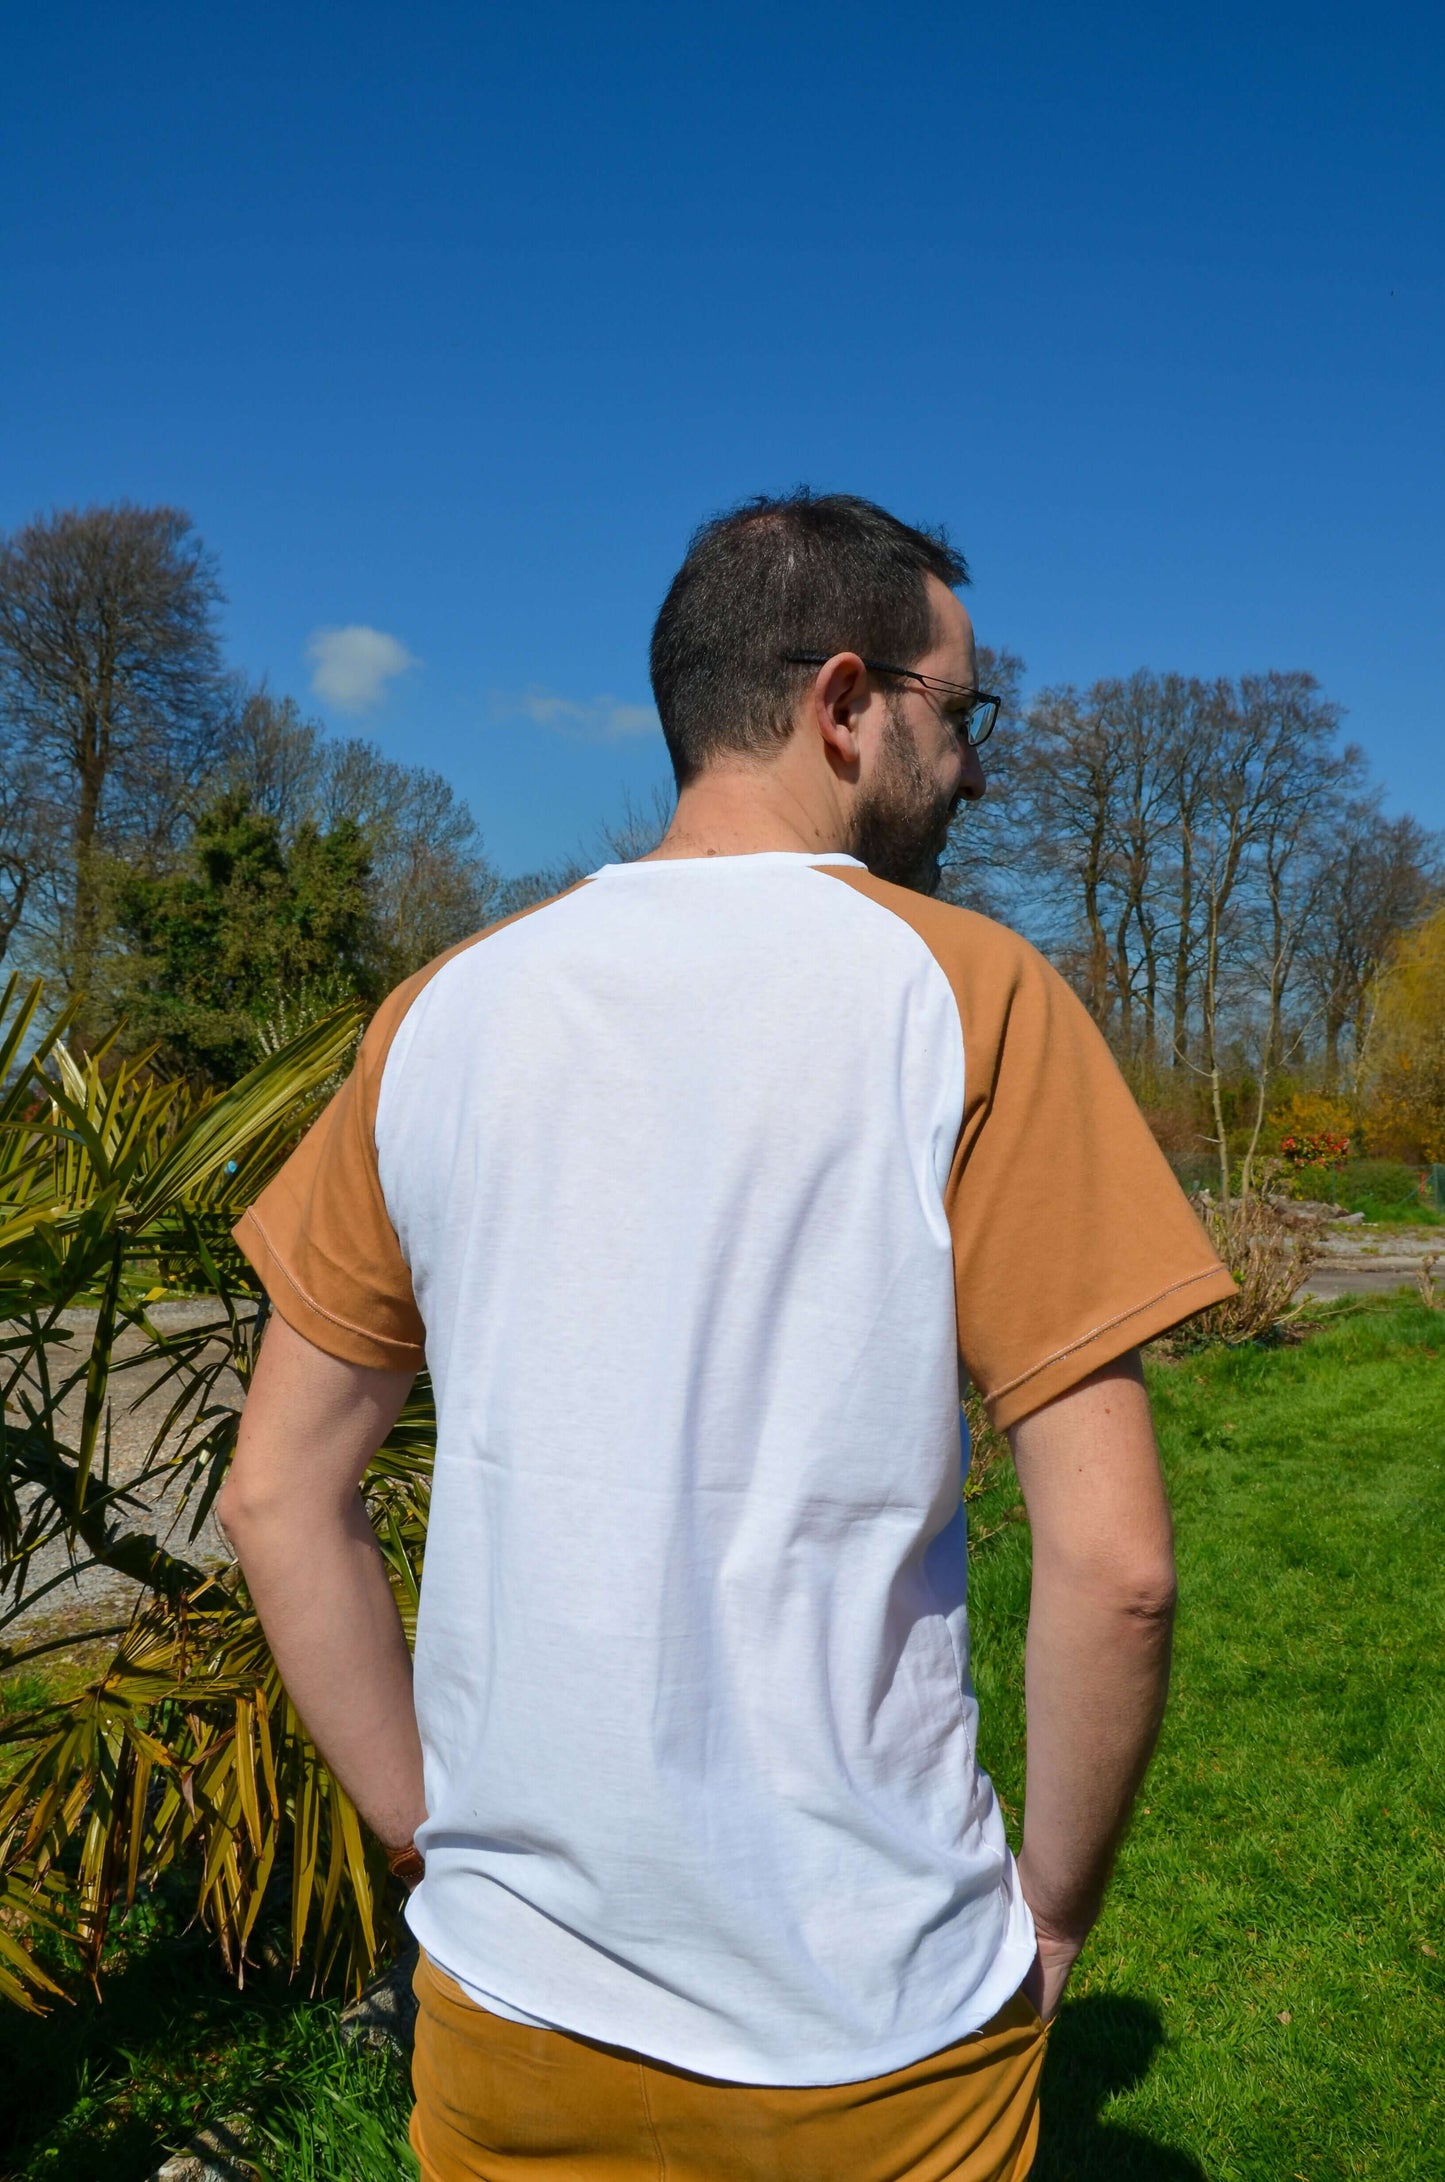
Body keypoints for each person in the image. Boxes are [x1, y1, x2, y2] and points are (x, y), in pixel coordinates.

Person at [220, 491, 1234, 2181]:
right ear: (843, 702)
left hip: (507, 2013)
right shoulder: (971, 997)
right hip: (870, 2032)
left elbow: (274, 1496)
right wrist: (1050, 1916)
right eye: (957, 711)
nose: (972, 767)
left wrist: (430, 1846)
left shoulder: (439, 1015)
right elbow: (1115, 1564)